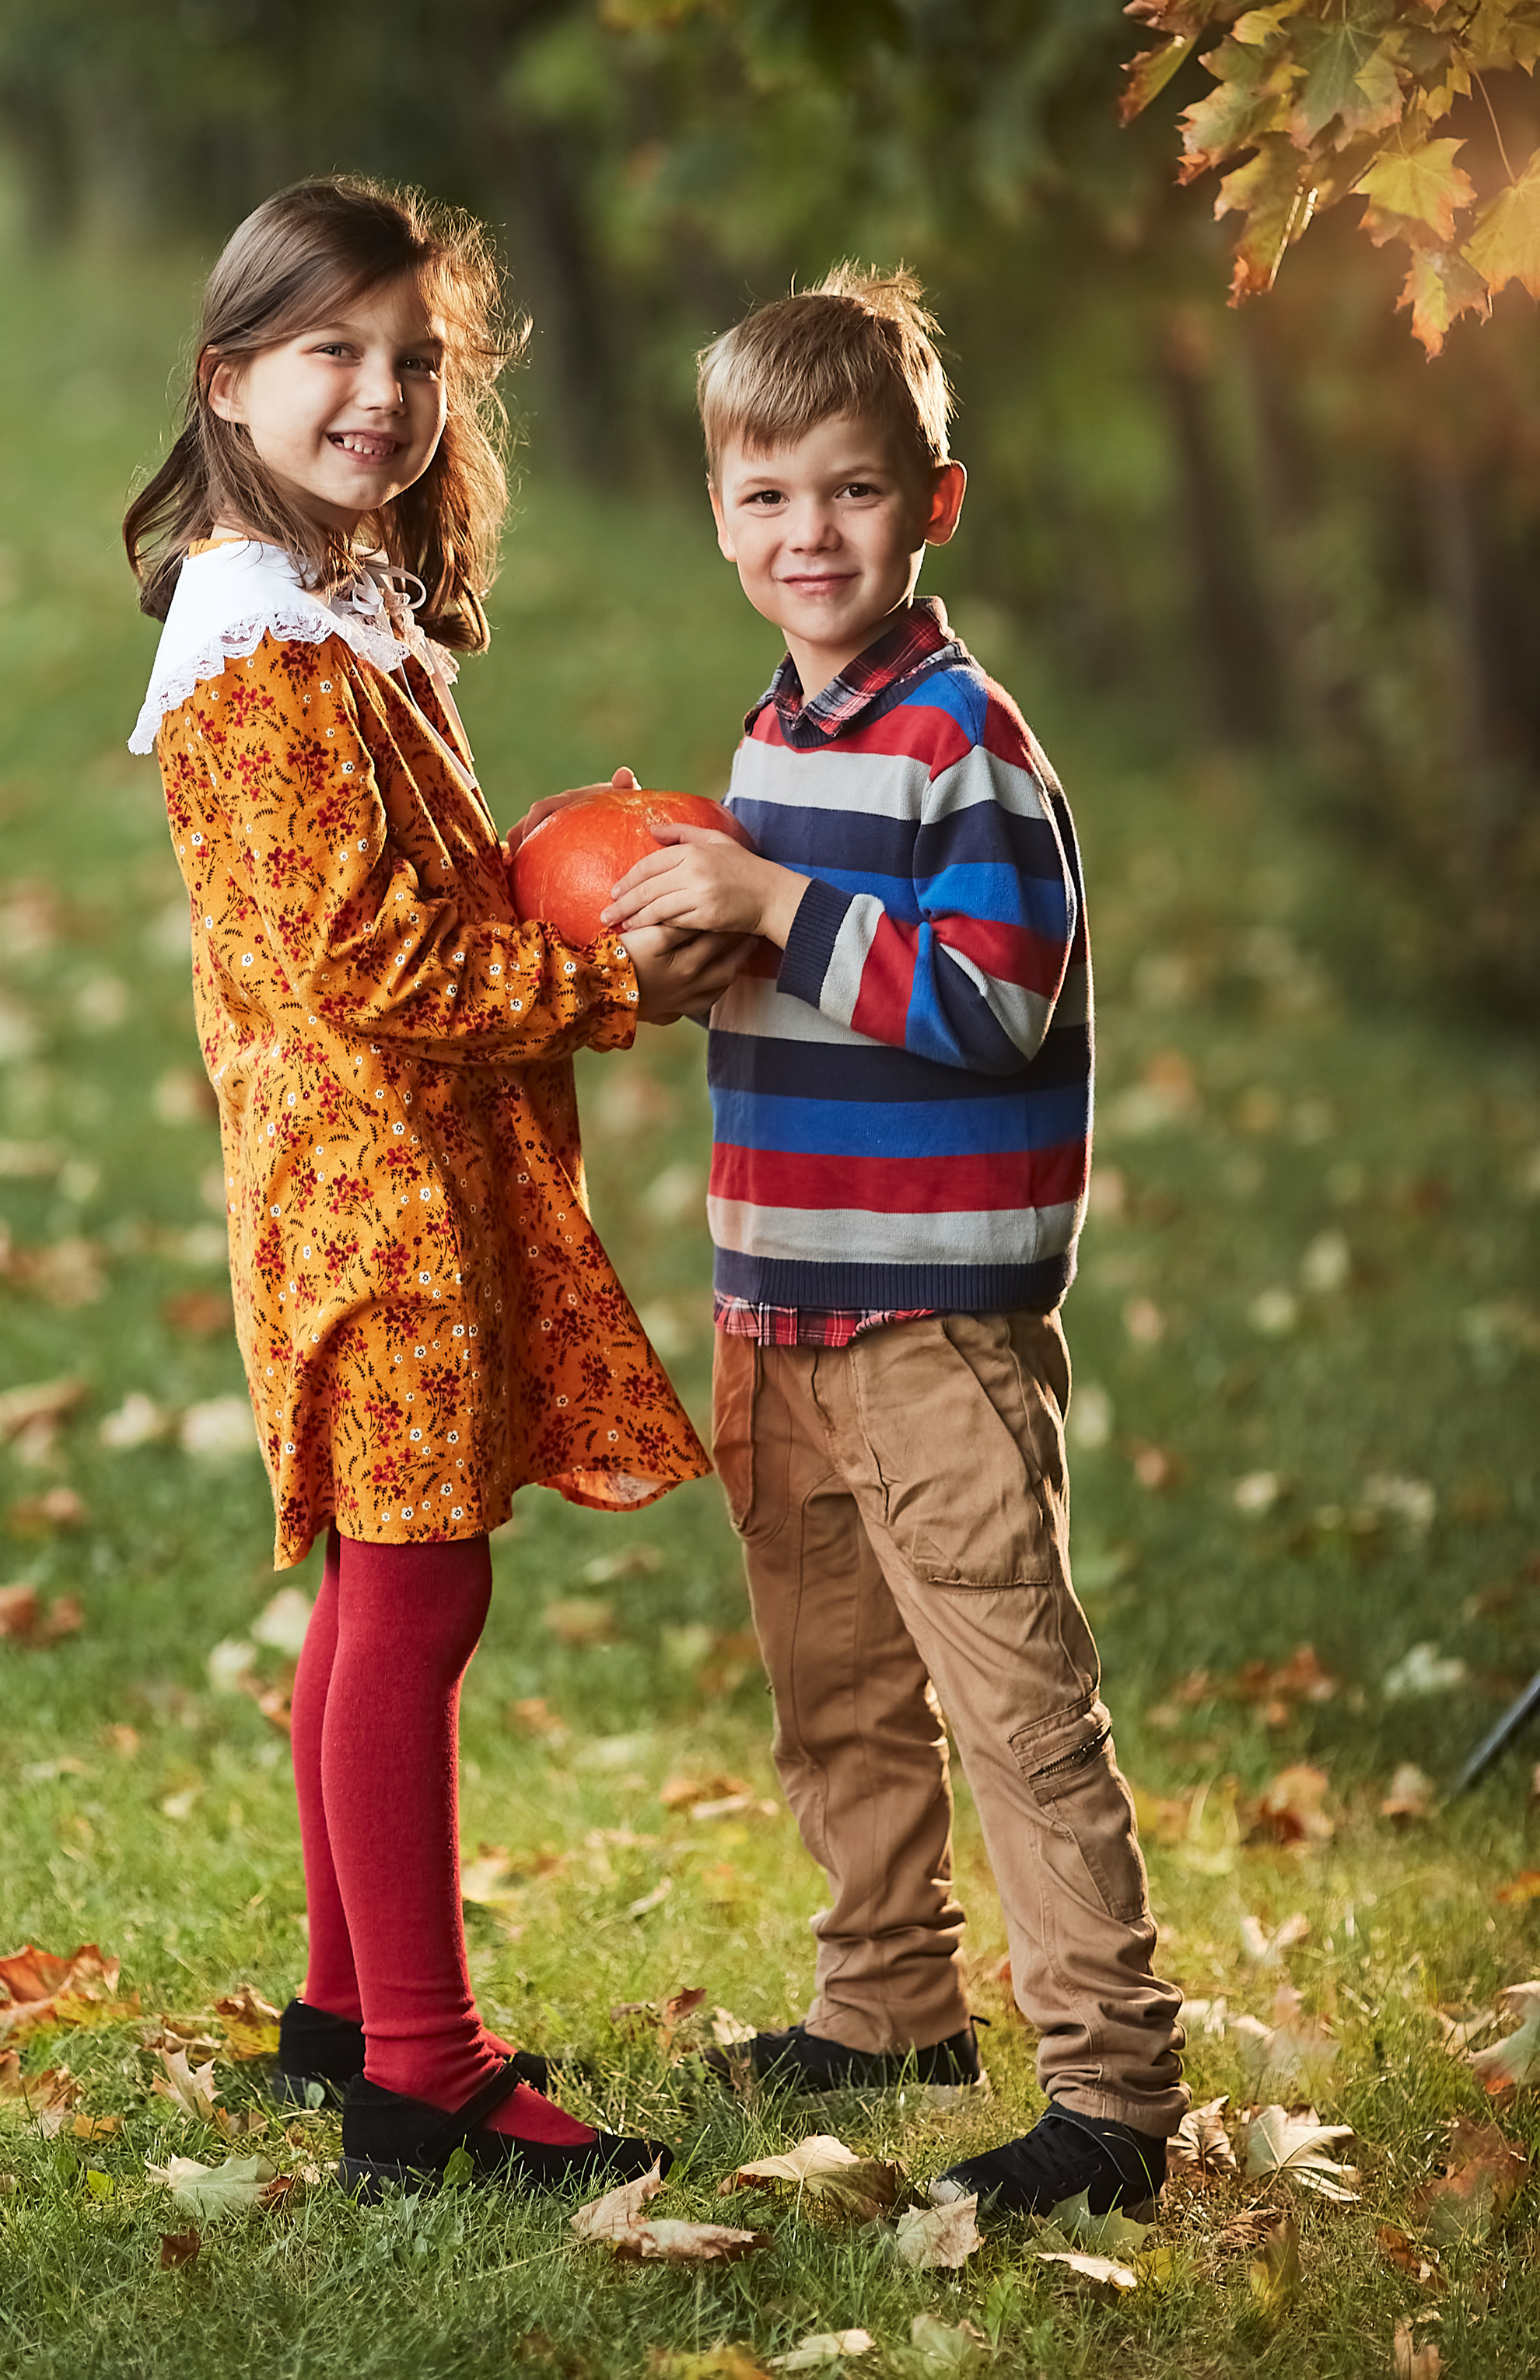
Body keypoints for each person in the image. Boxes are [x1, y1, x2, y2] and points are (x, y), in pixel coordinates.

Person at [124, 176, 737, 2198]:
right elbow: (369, 960)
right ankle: (423, 2072)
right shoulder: (257, 649)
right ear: (229, 382)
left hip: (401, 1163)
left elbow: (406, 900)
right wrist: (608, 980)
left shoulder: (334, 601)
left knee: (383, 1585)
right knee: (416, 1587)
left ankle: (334, 2006)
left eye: (413, 362)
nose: (378, 396)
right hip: (361, 1179)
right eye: (331, 357)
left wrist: (557, 864)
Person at [560, 267, 1187, 2216]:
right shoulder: (768, 734)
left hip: (930, 1320)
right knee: (830, 1690)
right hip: (784, 1298)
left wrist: (770, 899)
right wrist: (694, 958)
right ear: (718, 512)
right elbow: (804, 976)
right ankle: (886, 2000)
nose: (802, 534)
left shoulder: (955, 742)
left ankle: (1107, 2096)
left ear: (936, 503)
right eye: (763, 498)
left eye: (847, 491)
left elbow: (989, 996)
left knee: (1008, 1698)